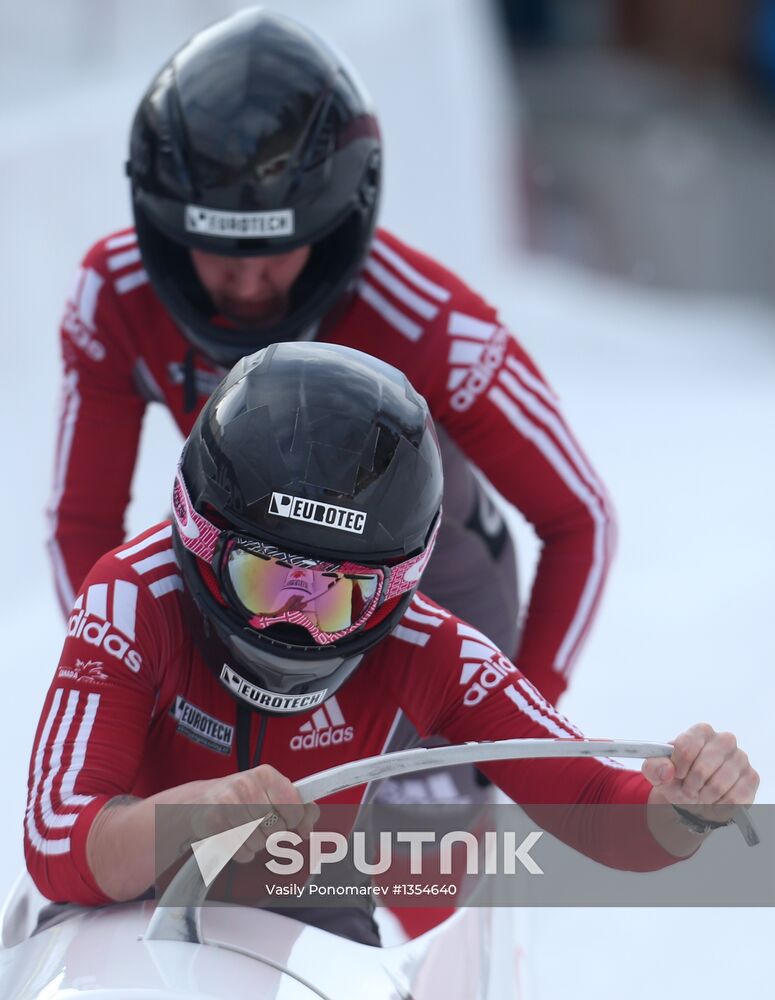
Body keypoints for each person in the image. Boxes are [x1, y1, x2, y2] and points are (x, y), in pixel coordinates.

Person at [26, 343, 759, 944]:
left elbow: (596, 806)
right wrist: (190, 819)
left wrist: (685, 807)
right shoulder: (134, 596)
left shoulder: (427, 646)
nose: (295, 622)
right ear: (201, 540)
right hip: (121, 907)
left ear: (394, 587)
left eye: (336, 595)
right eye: (265, 577)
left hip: (311, 915)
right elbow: (56, 838)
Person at [49, 7, 615, 712]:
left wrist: (522, 712)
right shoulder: (116, 294)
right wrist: (120, 673)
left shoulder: (430, 323)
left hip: (422, 625)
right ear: (165, 227)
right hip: (245, 609)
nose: (247, 283)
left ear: (333, 223)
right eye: (218, 253)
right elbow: (83, 523)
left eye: (275, 250)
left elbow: (579, 518)